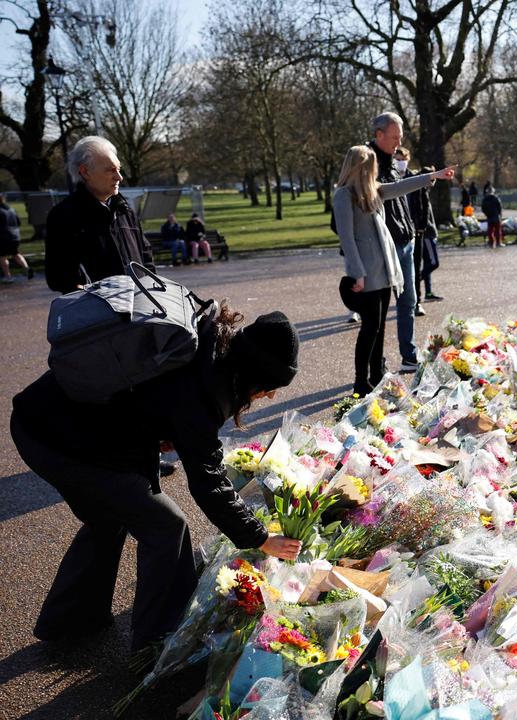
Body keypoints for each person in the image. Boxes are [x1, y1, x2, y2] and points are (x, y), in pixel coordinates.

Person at [10, 305, 303, 653]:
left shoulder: (209, 342)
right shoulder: (207, 388)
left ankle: (71, 620)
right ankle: (161, 642)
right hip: (60, 439)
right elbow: (208, 481)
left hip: (49, 419)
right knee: (166, 525)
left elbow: (148, 400)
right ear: (255, 371)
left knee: (110, 513)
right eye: (270, 386)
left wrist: (160, 428)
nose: (268, 395)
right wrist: (260, 537)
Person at [333, 145, 453, 396]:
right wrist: (357, 273)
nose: (374, 171)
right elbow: (346, 238)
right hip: (365, 274)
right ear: (360, 168)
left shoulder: (373, 191)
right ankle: (360, 381)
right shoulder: (344, 195)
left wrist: (433, 176)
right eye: (370, 167)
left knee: (378, 328)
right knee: (369, 328)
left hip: (384, 271)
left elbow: (402, 187)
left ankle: (376, 374)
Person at [44, 135, 154, 294]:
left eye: (119, 169)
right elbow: (58, 277)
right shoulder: (63, 216)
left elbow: (146, 257)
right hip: (97, 314)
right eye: (111, 170)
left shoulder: (125, 210)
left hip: (140, 309)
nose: (119, 177)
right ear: (85, 172)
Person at [368, 112, 424, 373]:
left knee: (408, 301)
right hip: (383, 246)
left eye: (400, 136)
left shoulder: (393, 160)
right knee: (377, 311)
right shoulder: (367, 162)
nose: (398, 142)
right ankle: (374, 363)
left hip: (405, 240)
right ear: (378, 134)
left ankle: (409, 355)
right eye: (394, 137)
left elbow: (402, 195)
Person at [396, 146, 443, 310]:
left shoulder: (414, 178)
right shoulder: (390, 177)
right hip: (396, 231)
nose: (400, 163)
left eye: (403, 159)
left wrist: (421, 226)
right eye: (397, 159)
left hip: (415, 231)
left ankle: (416, 302)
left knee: (414, 268)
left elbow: (423, 204)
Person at [0, 194, 33, 283]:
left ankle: (8, 277)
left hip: (4, 237)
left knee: (2, 257)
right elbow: (18, 222)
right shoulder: (12, 210)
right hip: (15, 236)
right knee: (16, 253)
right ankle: (27, 269)